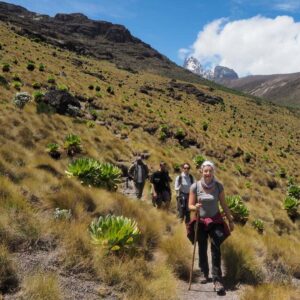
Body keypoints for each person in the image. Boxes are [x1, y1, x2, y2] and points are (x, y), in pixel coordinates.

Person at [188, 160, 234, 295]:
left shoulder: (219, 186)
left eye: (210, 171)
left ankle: (217, 279)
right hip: (200, 221)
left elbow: (224, 205)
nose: (208, 173)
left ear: (213, 172)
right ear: (201, 171)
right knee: (202, 247)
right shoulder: (195, 187)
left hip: (215, 220)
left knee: (215, 248)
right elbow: (189, 205)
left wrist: (230, 220)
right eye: (205, 171)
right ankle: (204, 273)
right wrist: (194, 207)